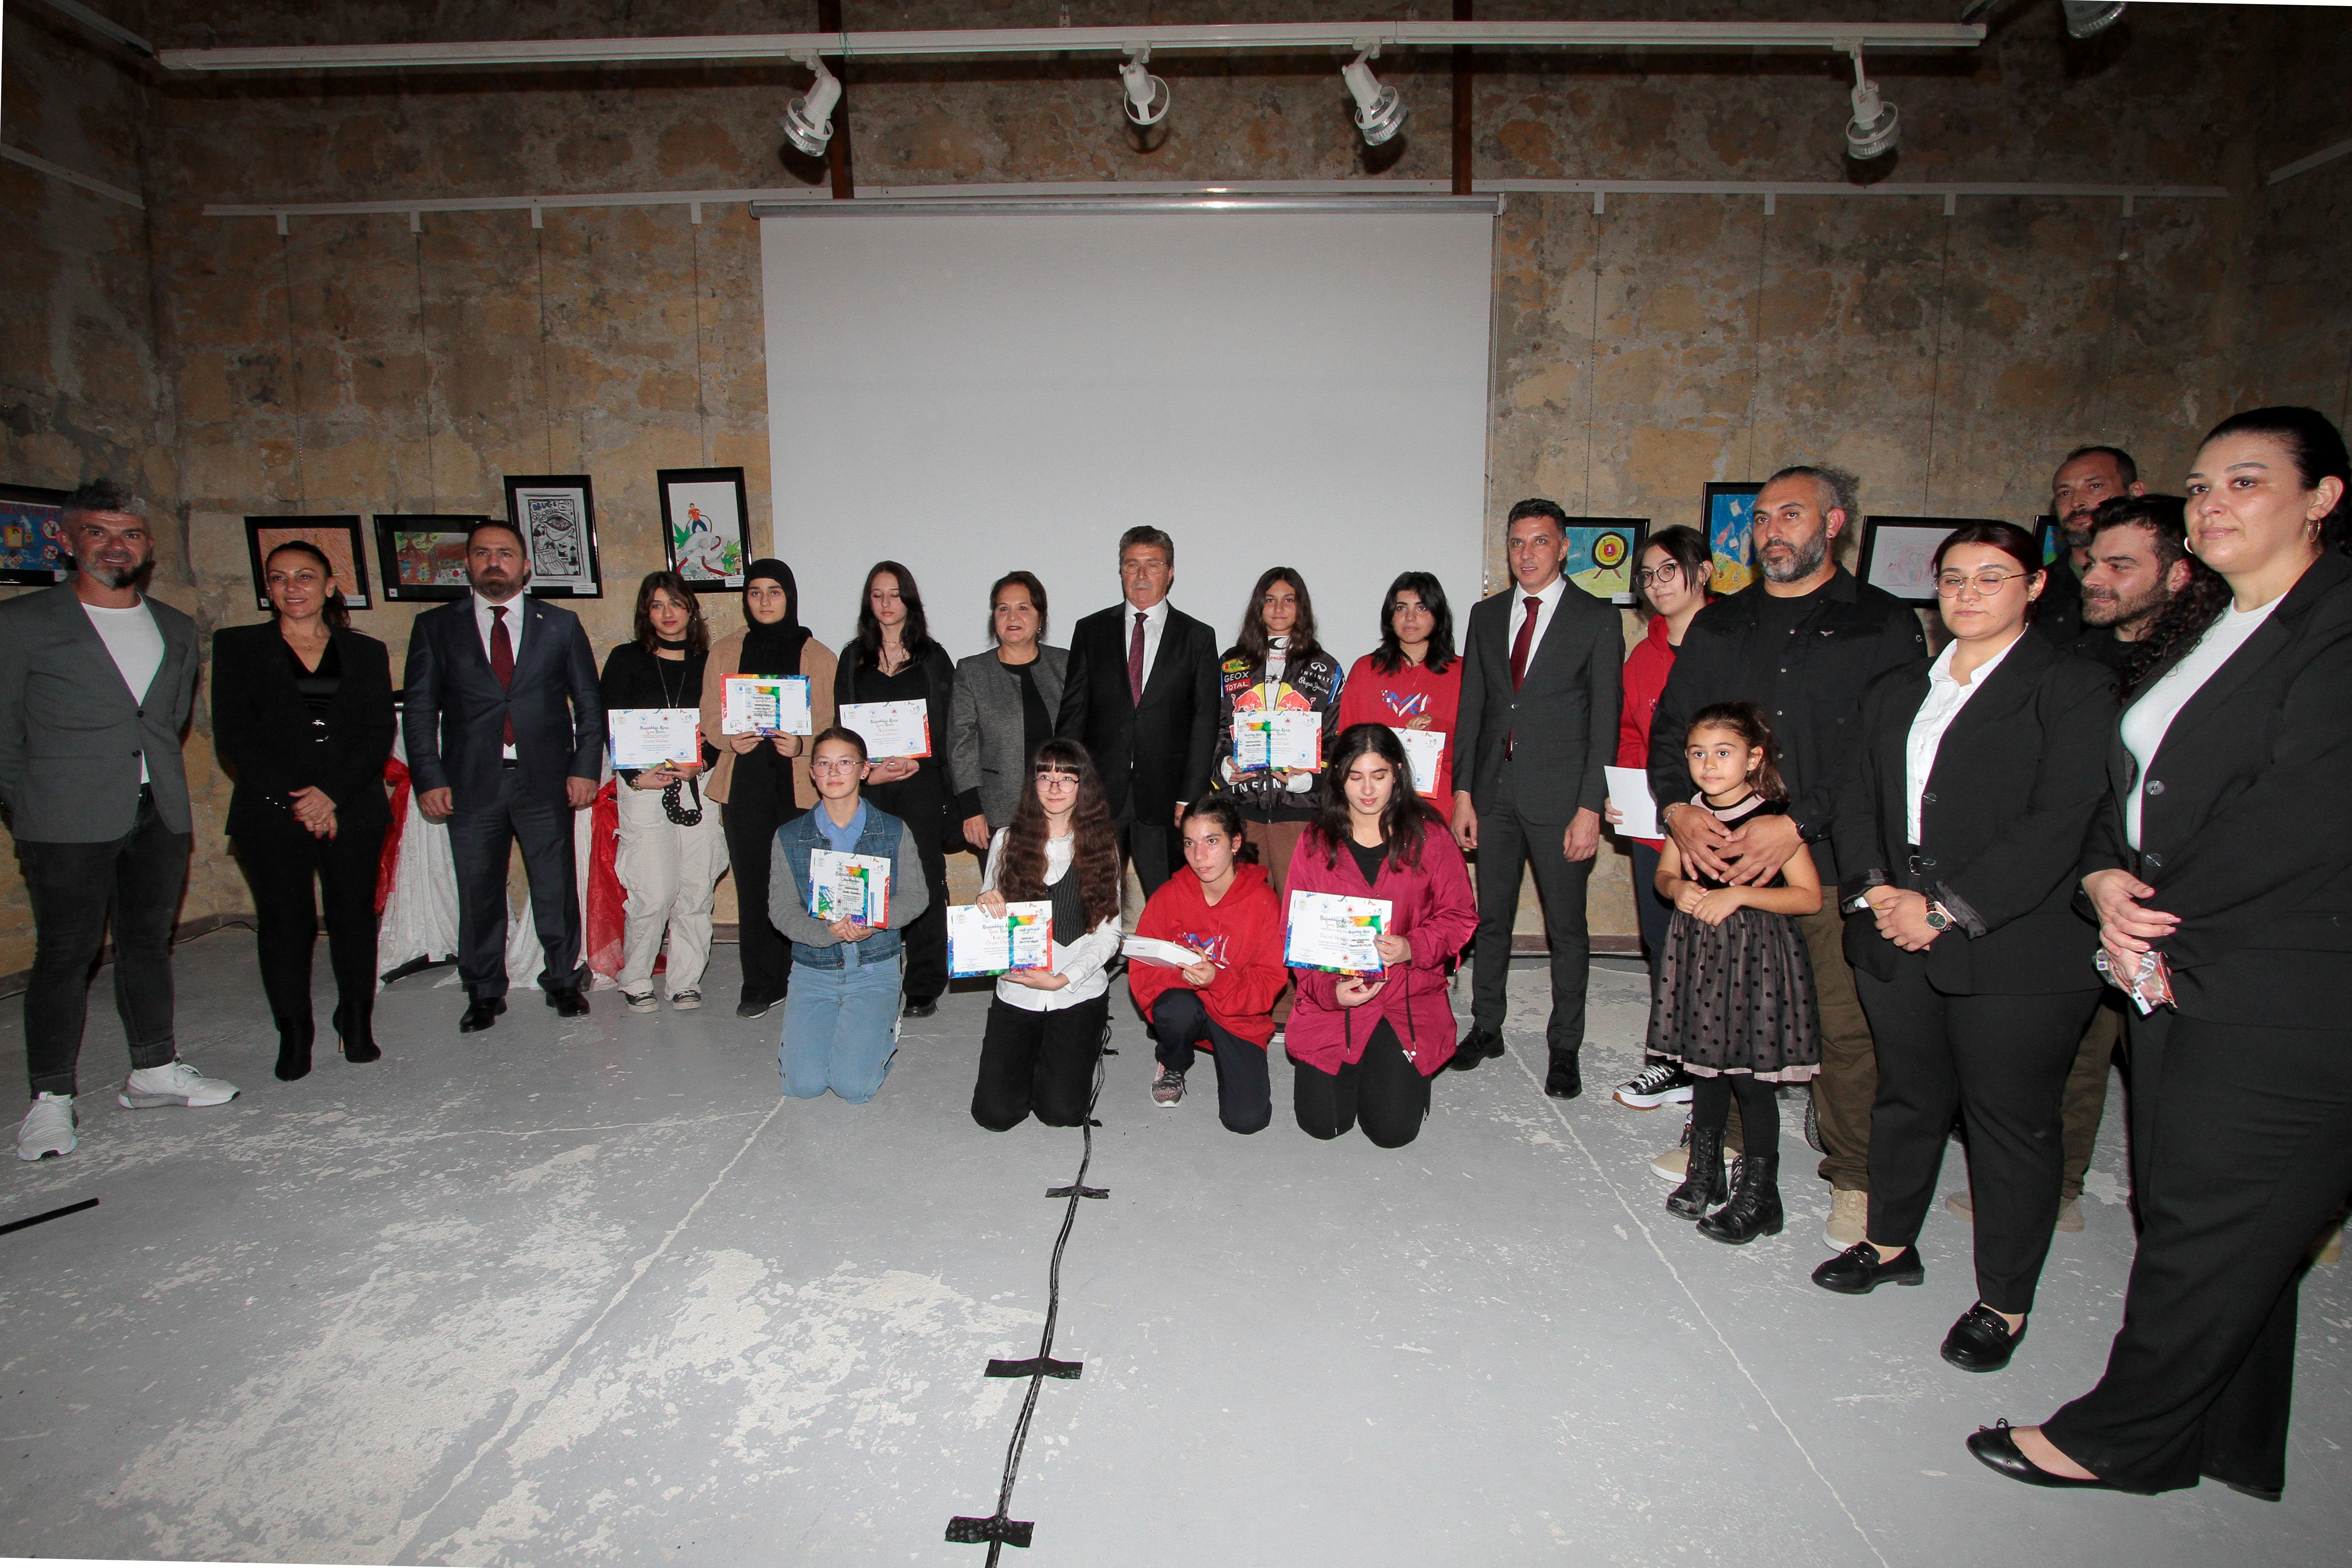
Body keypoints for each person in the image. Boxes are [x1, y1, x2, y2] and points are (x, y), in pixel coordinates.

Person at [1976, 408, 2352, 1499]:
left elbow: (2305, 813)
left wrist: (2152, 914)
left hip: (2284, 978)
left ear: (2321, 497)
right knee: (2216, 1211)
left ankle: (2123, 1439)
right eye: (2199, 486)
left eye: (2244, 480)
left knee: (2208, 1221)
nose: (2212, 503)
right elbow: (2130, 777)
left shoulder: (2335, 622)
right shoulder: (2218, 622)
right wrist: (2103, 878)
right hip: (2175, 956)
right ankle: (2228, 1436)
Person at [1813, 522, 2114, 1374]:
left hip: (2017, 946)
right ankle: (1888, 1243)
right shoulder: (1899, 686)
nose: (1967, 593)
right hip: (1892, 925)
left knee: (2007, 1124)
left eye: (1990, 577)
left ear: (2034, 587)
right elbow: (1854, 796)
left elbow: (2059, 820)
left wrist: (1943, 910)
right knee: (1906, 1098)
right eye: (1952, 578)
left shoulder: (2070, 686)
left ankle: (2003, 1302)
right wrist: (1875, 891)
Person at [1646, 464, 1926, 1245]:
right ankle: (1726, 1146)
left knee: (1843, 1027)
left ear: (1832, 523)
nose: (1770, 531)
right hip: (1722, 858)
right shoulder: (1720, 625)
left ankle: (1854, 1174)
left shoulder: (1880, 623)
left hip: (1831, 860)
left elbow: (1887, 751)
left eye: (1790, 515)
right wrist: (1676, 810)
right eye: (1762, 518)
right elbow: (1670, 733)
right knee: (1725, 1013)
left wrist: (1796, 822)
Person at [1948, 494, 2195, 1235]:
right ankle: (2054, 1186)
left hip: (2179, 893)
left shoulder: (2200, 662)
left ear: (2178, 574)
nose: (2093, 577)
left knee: (2182, 1079)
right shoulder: (2078, 655)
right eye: (2090, 562)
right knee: (2077, 1055)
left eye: (2119, 565)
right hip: (2084, 887)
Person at [2, 480, 235, 1160]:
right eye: (98, 532)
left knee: (147, 943)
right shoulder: (22, 623)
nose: (115, 546)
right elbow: (4, 736)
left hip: (157, 810)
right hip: (63, 816)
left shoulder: (173, 625)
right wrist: (30, 805)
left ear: (147, 546)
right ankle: (51, 1097)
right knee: (66, 952)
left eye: (129, 534)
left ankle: (154, 1069)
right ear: (66, 540)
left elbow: (166, 720)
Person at [1449, 498, 1625, 1098]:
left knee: (1566, 929)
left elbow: (1604, 722)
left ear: (1564, 547)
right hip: (1493, 795)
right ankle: (1487, 1026)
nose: (1526, 554)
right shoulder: (1485, 615)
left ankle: (1564, 1046)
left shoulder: (1595, 618)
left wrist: (1590, 808)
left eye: (1539, 541)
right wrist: (1464, 793)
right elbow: (1473, 709)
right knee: (1491, 919)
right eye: (1517, 542)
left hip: (1561, 801)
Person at [402, 519, 605, 1032]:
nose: (495, 562)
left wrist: (585, 768)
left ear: (525, 566)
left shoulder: (560, 624)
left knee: (555, 886)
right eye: (483, 553)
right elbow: (420, 711)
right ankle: (484, 990)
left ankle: (563, 979)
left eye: (505, 553)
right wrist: (428, 777)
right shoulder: (435, 627)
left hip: (546, 780)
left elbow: (589, 703)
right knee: (479, 890)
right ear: (468, 564)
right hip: (470, 782)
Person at [212, 539, 397, 1079]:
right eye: (279, 577)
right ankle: (294, 1033)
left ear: (329, 585)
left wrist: (331, 794)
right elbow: (235, 736)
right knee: (284, 922)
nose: (292, 587)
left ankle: (356, 1020)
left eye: (305, 576)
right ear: (268, 588)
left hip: (352, 805)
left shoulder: (366, 652)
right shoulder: (238, 647)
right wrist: (302, 797)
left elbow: (376, 732)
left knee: (354, 918)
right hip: (272, 808)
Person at [1649, 703, 1823, 1242]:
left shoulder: (1771, 820)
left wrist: (1742, 894)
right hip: (1700, 955)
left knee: (1750, 1079)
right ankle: (1706, 1173)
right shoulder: (1690, 816)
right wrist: (1678, 889)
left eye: (1723, 753)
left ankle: (1761, 1194)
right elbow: (1664, 875)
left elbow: (1809, 896)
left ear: (1754, 758)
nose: (1709, 764)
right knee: (1705, 1070)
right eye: (1698, 753)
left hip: (1755, 959)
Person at [1286, 725, 1478, 1148]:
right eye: (1355, 777)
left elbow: (1460, 915)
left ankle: (1398, 1072)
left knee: (1391, 1133)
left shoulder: (1430, 837)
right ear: (1338, 777)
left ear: (1398, 774)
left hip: (1405, 996)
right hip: (1335, 994)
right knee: (1323, 1125)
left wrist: (1413, 946)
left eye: (1379, 775)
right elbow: (1297, 934)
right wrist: (1331, 992)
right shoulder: (1315, 842)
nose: (1368, 790)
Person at [1605, 525, 1714, 1111]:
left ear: (1704, 572)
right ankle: (1671, 1060)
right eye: (1647, 575)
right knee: (1663, 942)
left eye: (1669, 569)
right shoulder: (1642, 656)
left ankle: (1717, 1066)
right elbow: (1629, 731)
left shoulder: (1732, 642)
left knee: (1717, 950)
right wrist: (1624, 785)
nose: (1657, 583)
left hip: (1722, 826)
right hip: (1654, 825)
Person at [702, 558, 838, 1019]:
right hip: (745, 788)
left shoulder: (819, 656)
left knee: (806, 887)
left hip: (800, 789)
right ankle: (761, 982)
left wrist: (803, 745)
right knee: (755, 886)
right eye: (755, 592)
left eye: (774, 592)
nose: (764, 601)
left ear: (790, 597)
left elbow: (832, 723)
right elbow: (709, 714)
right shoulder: (725, 651)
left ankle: (810, 975)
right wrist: (728, 739)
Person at [767, 728, 932, 1103]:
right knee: (804, 1086)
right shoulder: (789, 836)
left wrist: (873, 921)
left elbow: (915, 896)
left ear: (864, 770)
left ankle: (882, 1027)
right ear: (812, 773)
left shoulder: (893, 831)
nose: (833, 772)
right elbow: (782, 909)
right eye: (823, 764)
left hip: (873, 969)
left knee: (853, 1088)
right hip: (814, 969)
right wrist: (826, 932)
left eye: (845, 763)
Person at [970, 738, 1126, 1131]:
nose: (1055, 787)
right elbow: (989, 921)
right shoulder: (1006, 840)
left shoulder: (1102, 844)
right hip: (1018, 989)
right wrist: (985, 902)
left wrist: (1062, 979)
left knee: (1061, 1114)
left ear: (1082, 785)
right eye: (1045, 777)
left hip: (1075, 991)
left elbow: (1109, 935)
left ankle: (1075, 1045)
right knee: (995, 1115)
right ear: (1033, 783)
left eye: (1067, 778)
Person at [1055, 526, 1220, 895]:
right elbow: (1073, 716)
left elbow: (1204, 722)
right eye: (1132, 565)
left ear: (1170, 572)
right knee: (1092, 901)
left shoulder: (1197, 637)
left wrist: (1190, 797)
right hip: (1098, 797)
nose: (1142, 575)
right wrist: (1065, 785)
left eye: (1153, 565)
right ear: (1121, 571)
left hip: (1165, 801)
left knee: (1168, 901)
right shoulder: (1090, 631)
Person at [835, 560, 955, 1019]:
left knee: (923, 880)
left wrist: (918, 761)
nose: (887, 603)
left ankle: (924, 982)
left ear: (910, 599)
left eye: (895, 594)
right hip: (869, 788)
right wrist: (866, 773)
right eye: (877, 595)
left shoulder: (933, 656)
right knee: (867, 883)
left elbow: (948, 727)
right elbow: (841, 725)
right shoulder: (853, 657)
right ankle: (874, 974)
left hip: (919, 785)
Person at [600, 571, 725, 1013]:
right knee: (652, 892)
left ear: (691, 610)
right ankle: (635, 977)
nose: (668, 614)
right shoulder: (625, 659)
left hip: (698, 783)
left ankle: (685, 981)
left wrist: (702, 763)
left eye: (676, 604)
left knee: (696, 889)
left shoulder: (711, 662)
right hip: (643, 785)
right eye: (657, 605)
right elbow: (607, 722)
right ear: (646, 614)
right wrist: (636, 775)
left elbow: (722, 726)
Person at [1130, 796, 1286, 1132]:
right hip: (1187, 1006)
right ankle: (1173, 1060)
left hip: (1238, 1014)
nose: (1199, 856)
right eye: (1190, 843)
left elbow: (1268, 983)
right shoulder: (1169, 895)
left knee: (1246, 1121)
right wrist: (1185, 976)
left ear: (1235, 843)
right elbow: (1142, 972)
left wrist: (1218, 979)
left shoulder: (1263, 902)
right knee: (1175, 1009)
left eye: (1211, 841)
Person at [1209, 567, 1343, 895]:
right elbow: (1214, 727)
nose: (1279, 608)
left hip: (1299, 811)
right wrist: (1224, 768)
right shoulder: (1230, 664)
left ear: (1301, 607)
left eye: (1288, 600)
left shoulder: (1327, 668)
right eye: (1270, 600)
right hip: (1242, 809)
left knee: (1296, 904)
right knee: (1245, 906)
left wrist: (1309, 780)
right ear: (1258, 606)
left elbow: (1335, 739)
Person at [951, 571, 1067, 847]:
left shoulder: (1066, 665)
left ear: (1041, 617)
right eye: (1003, 609)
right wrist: (971, 809)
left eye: (1023, 608)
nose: (1012, 617)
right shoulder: (972, 671)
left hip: (1063, 810)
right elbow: (961, 745)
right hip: (996, 812)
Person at [1334, 570, 1462, 806]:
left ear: (1438, 614)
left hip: (1439, 804)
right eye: (1401, 608)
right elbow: (1347, 744)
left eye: (1422, 608)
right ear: (1390, 616)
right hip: (1374, 804)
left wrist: (1437, 729)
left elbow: (1474, 750)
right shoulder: (1366, 670)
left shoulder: (1462, 673)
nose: (1410, 617)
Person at [2033, 445, 2147, 646]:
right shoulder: (2036, 593)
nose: (2077, 502)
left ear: (2135, 492)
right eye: (2065, 493)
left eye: (2095, 486)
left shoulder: (2167, 583)